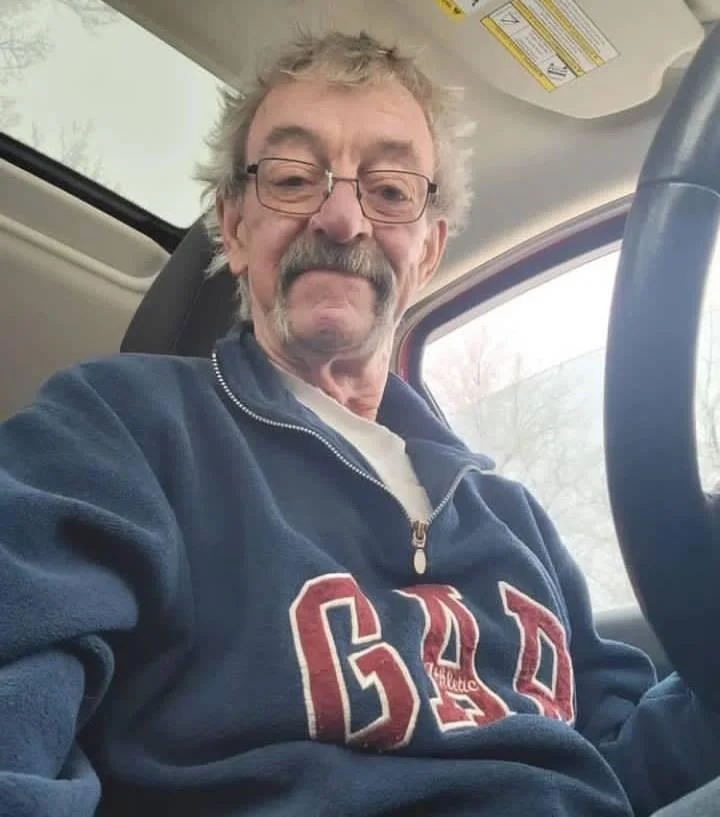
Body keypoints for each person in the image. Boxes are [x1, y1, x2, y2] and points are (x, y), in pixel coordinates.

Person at [1, 30, 719, 817]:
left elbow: (626, 766)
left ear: (429, 251)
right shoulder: (120, 427)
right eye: (292, 178)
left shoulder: (511, 517)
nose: (341, 218)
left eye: (390, 191)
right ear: (235, 228)